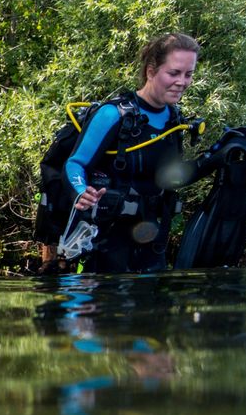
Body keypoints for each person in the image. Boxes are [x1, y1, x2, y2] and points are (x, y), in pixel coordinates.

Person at [63, 32, 200, 273]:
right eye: (174, 73)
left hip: (150, 241)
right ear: (151, 71)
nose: (182, 82)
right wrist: (81, 191)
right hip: (105, 241)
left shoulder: (175, 120)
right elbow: (75, 163)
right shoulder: (113, 114)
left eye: (188, 74)